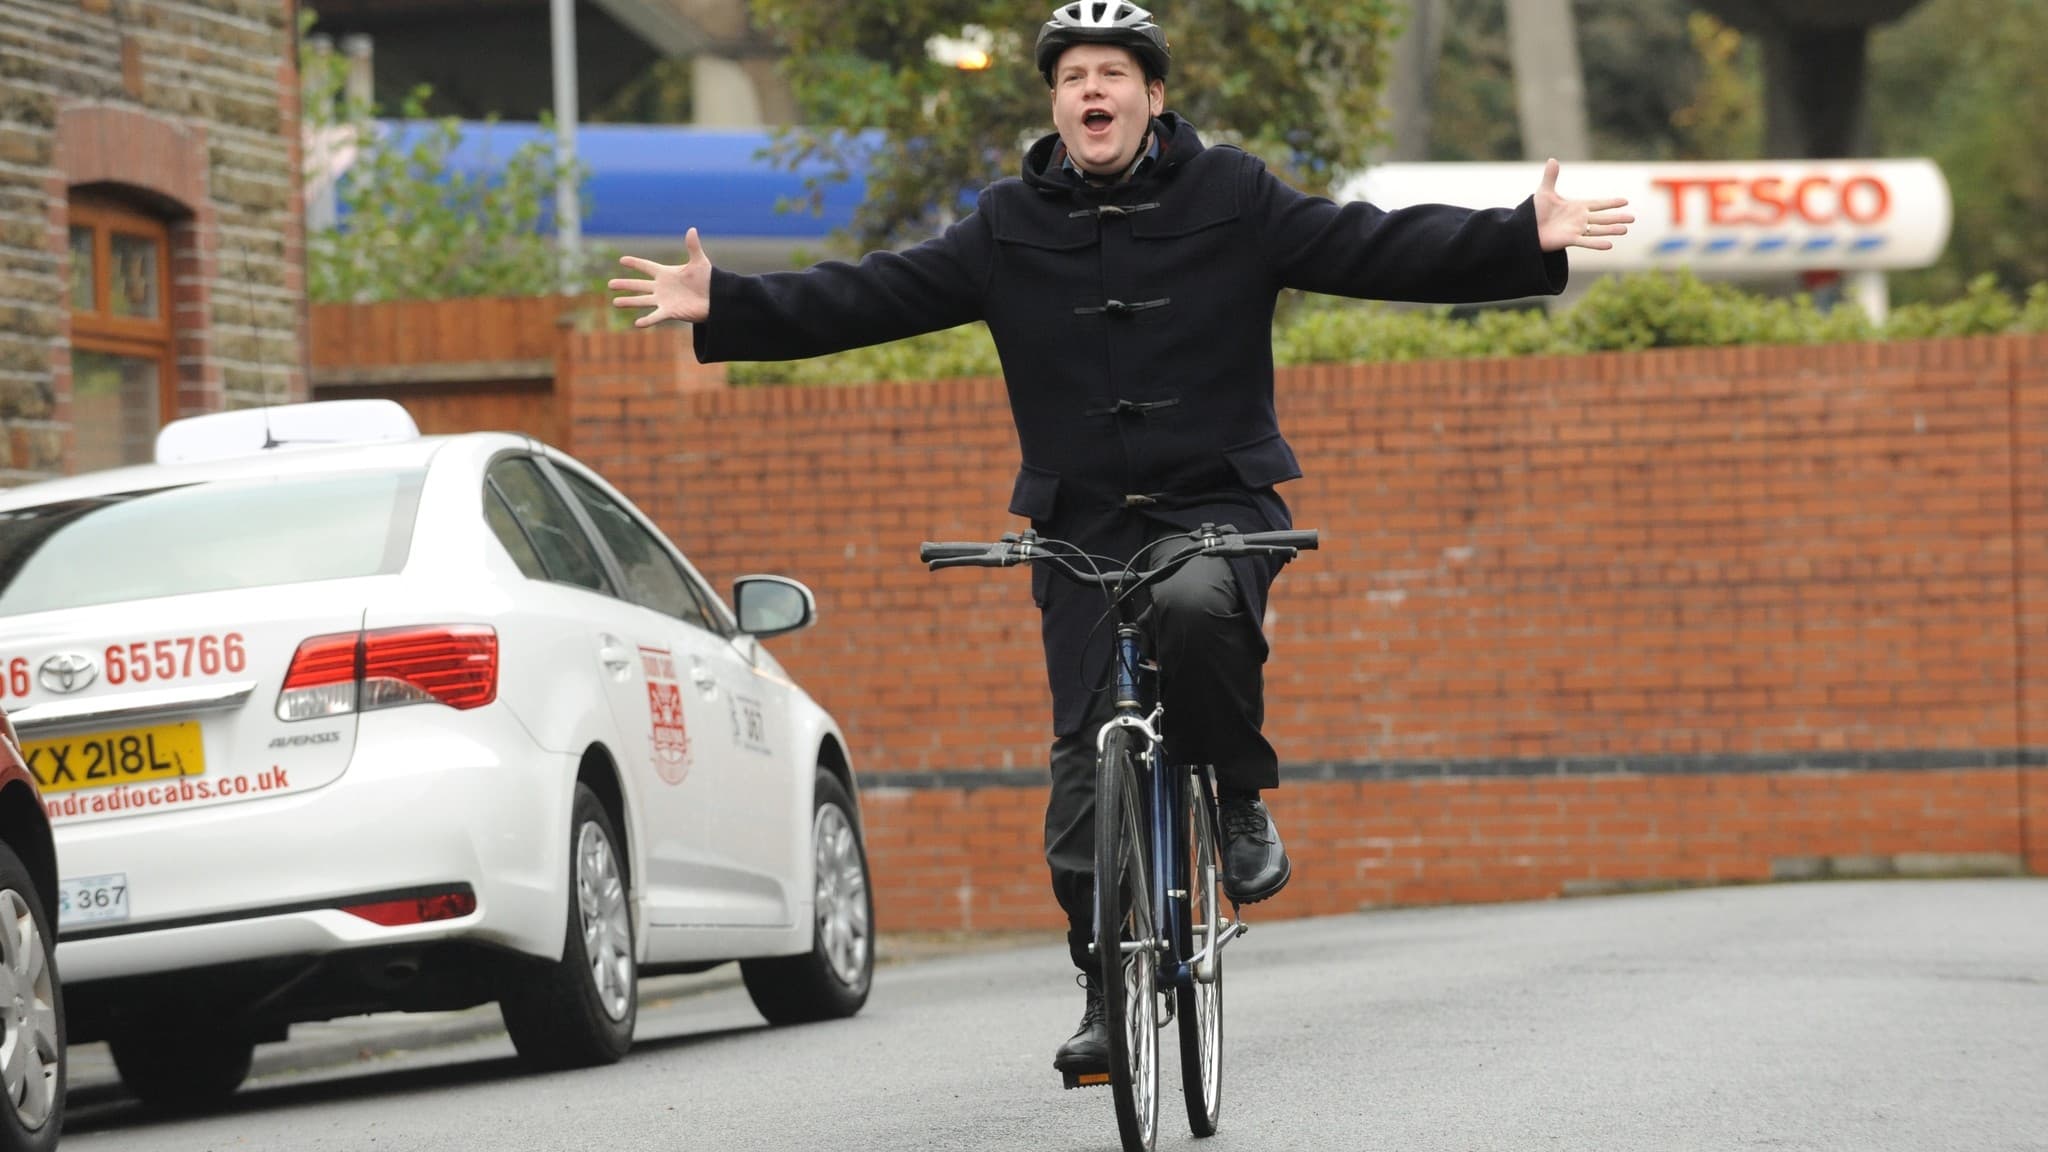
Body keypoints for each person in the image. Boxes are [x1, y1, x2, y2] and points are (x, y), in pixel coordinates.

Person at [610, 0, 1632, 1085]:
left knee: (1195, 604)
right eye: (1071, 78)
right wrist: (728, 304)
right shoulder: (1005, 224)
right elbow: (873, 293)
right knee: (1079, 778)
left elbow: (1367, 246)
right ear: (1055, 104)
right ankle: (1105, 991)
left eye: (1109, 73)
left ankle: (1235, 798)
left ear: (1151, 95)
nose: (1089, 91)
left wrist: (1516, 234)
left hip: (1218, 505)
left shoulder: (1232, 195)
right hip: (1082, 525)